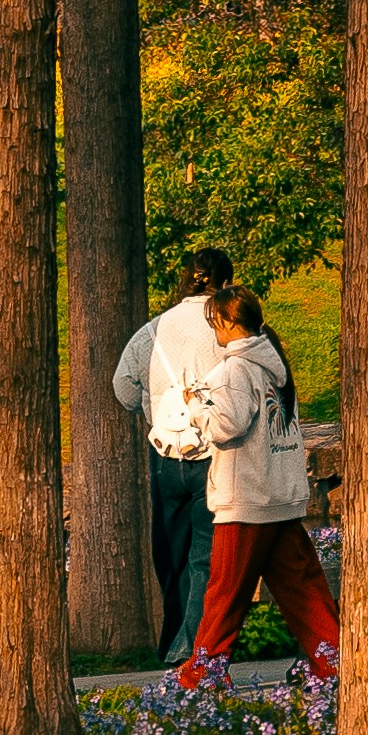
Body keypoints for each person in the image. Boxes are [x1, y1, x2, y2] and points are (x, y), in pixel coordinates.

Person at [177, 285, 339, 687]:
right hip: (280, 495)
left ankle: (204, 672)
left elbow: (226, 425)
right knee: (303, 588)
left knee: (225, 592)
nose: (214, 329)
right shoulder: (275, 366)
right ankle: (334, 661)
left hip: (246, 497)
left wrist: (196, 407)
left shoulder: (235, 370)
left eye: (215, 322)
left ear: (230, 323)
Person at [112, 243, 234, 666]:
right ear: (225, 283)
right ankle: (195, 646)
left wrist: (154, 400)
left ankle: (173, 641)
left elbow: (123, 386)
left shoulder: (152, 331)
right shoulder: (226, 331)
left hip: (165, 453)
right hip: (215, 453)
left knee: (171, 552)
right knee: (205, 554)